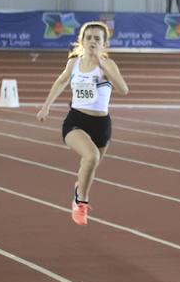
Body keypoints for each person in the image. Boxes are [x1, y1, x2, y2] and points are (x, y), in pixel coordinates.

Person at [35, 22, 129, 226]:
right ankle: (81, 202)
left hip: (101, 124)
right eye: (89, 38)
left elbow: (123, 89)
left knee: (91, 165)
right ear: (82, 41)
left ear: (104, 43)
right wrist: (46, 106)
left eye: (97, 38)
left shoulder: (108, 64)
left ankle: (80, 189)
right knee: (91, 156)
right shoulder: (74, 64)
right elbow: (61, 82)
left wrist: (102, 65)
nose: (93, 42)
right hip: (76, 120)